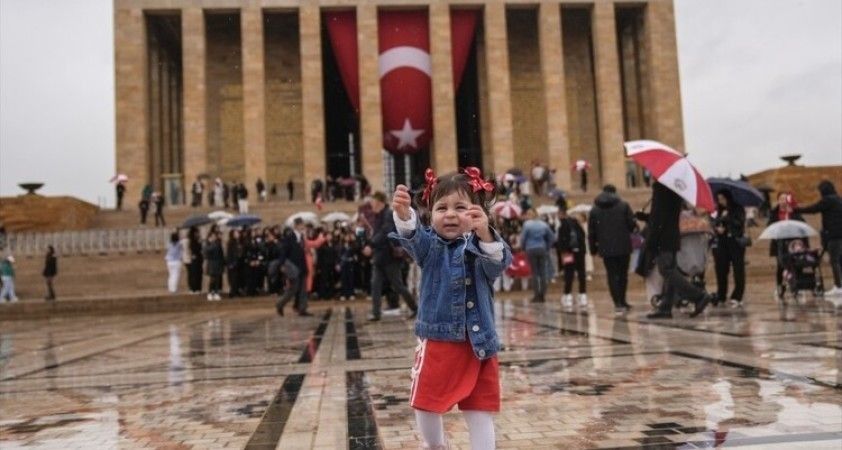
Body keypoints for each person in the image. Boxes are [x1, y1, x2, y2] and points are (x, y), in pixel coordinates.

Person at [390, 168, 511, 450]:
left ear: (477, 213)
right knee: (426, 403)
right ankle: (435, 445)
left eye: (461, 207)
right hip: (439, 341)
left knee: (479, 410)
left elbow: (498, 262)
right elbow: (413, 237)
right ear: (430, 215)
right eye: (441, 208)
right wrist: (405, 215)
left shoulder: (482, 246)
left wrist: (485, 234)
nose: (451, 214)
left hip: (479, 342)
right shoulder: (430, 246)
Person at [645, 182, 715, 319]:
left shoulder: (662, 188)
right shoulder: (674, 188)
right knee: (670, 269)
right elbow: (666, 214)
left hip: (662, 236)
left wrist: (651, 238)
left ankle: (699, 296)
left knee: (666, 270)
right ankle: (665, 307)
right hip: (671, 234)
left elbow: (659, 216)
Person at [364, 191, 418, 321]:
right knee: (375, 285)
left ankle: (415, 308)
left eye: (373, 201)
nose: (371, 204)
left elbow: (385, 232)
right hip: (379, 257)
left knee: (398, 285)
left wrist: (371, 244)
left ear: (379, 202)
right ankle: (376, 313)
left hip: (390, 258)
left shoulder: (388, 214)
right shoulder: (377, 216)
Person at [588, 185, 635, 313]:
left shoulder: (594, 210)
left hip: (606, 247)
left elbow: (591, 232)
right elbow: (631, 225)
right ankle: (623, 300)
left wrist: (593, 249)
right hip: (623, 245)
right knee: (623, 274)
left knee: (612, 275)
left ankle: (617, 303)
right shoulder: (624, 206)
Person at [795, 180, 842, 295]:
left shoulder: (828, 200)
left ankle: (838, 286)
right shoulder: (838, 199)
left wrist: (797, 209)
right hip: (839, 234)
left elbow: (813, 209)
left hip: (834, 235)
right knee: (839, 260)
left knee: (834, 260)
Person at [711, 190, 747, 308]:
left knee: (738, 270)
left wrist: (727, 219)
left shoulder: (738, 209)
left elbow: (739, 223)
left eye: (723, 198)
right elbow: (715, 223)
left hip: (735, 243)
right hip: (722, 242)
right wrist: (718, 228)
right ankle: (721, 294)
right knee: (721, 269)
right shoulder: (719, 210)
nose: (721, 201)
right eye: (719, 199)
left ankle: (737, 296)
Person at [767, 192, 804, 299]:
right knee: (780, 266)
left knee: (794, 265)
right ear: (778, 200)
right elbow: (770, 226)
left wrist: (793, 214)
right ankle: (780, 286)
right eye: (781, 199)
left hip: (793, 242)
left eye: (785, 199)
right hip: (779, 242)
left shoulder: (793, 211)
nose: (783, 201)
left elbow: (801, 223)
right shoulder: (774, 212)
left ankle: (795, 287)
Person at [519, 209, 555, 303]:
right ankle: (542, 295)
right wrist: (547, 247)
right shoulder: (543, 224)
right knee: (543, 272)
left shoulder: (527, 225)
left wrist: (523, 248)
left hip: (530, 249)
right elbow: (551, 237)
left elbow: (523, 238)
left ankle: (536, 295)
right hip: (542, 248)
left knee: (534, 273)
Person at [276, 220, 309, 316]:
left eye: (302, 225)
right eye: (300, 225)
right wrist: (281, 265)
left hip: (302, 266)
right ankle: (280, 304)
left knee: (303, 289)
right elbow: (283, 252)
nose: (302, 227)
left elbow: (302, 253)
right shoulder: (289, 237)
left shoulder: (302, 238)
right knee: (293, 289)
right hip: (293, 268)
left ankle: (302, 309)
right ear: (296, 226)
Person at [556, 209, 586, 310]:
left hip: (568, 253)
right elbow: (583, 237)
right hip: (580, 252)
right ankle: (583, 295)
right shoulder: (576, 224)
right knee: (581, 273)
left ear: (561, 215)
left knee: (569, 273)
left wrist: (562, 252)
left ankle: (567, 295)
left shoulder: (562, 226)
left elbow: (560, 241)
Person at [203, 230, 224, 301]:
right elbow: (206, 253)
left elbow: (221, 254)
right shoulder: (207, 244)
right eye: (212, 236)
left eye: (214, 236)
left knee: (217, 279)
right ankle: (210, 293)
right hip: (212, 264)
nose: (214, 238)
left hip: (217, 263)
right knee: (212, 279)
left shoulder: (217, 243)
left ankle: (216, 292)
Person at [226, 229, 244, 297]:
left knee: (237, 278)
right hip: (233, 263)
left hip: (238, 262)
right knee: (233, 278)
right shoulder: (231, 242)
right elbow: (229, 254)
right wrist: (230, 263)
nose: (238, 234)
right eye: (236, 233)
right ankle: (232, 292)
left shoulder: (238, 242)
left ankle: (236, 291)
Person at [186, 227, 204, 294]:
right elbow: (194, 250)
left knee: (199, 274)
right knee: (194, 275)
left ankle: (198, 288)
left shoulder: (198, 240)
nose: (198, 234)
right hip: (194, 259)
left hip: (199, 259)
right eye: (196, 232)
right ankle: (193, 288)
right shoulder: (191, 241)